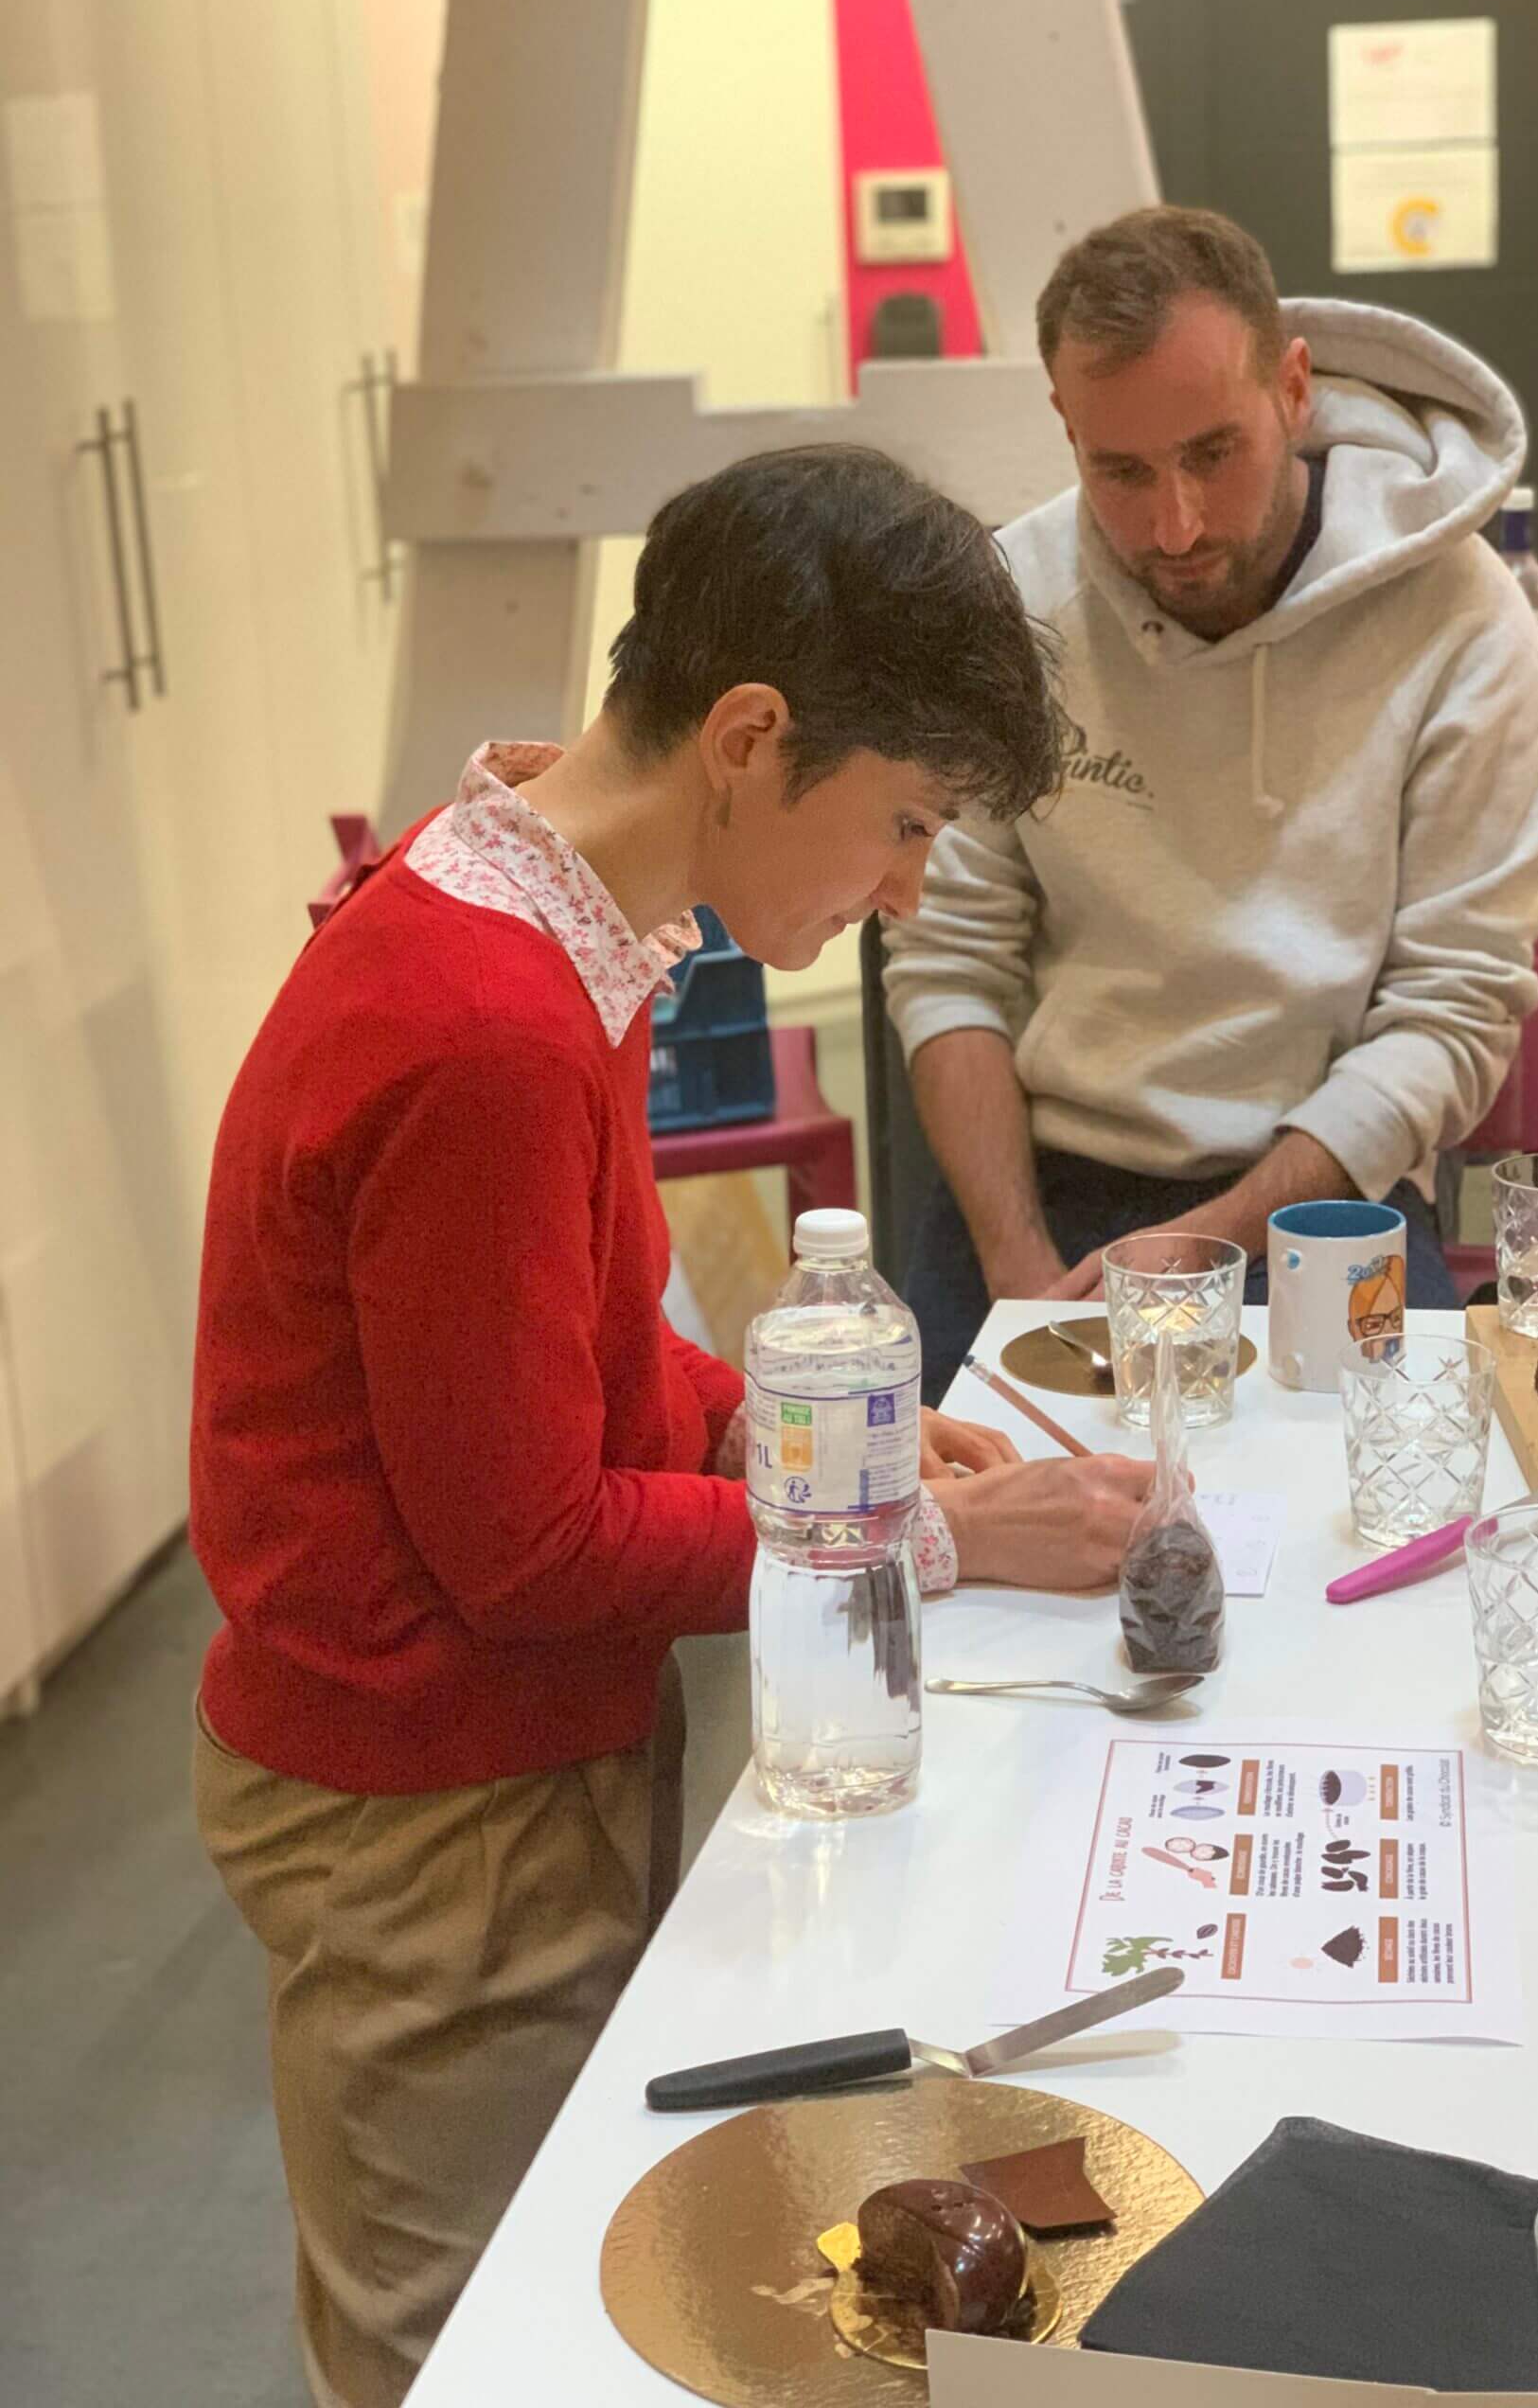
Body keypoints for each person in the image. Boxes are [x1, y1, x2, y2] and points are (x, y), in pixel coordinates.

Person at [189, 445, 1154, 2408]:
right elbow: (527, 1544)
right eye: (899, 824)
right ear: (747, 736)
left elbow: (572, 1345)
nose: (900, 889)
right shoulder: (487, 1018)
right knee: (462, 2345)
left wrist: (813, 1444)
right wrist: (921, 1540)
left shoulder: (561, 905)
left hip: (502, 1755)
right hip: (428, 1812)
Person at [884, 205, 1538, 1397]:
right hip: (1037, 1186)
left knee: (1383, 1527)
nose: (1175, 526)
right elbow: (951, 960)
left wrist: (1215, 1243)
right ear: (1066, 428)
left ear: (1293, 390)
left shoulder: (1466, 624)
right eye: (1122, 471)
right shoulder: (1012, 606)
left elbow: (1450, 1015)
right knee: (973, 1552)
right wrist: (1019, 1267)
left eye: (1212, 453)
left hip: (1321, 1190)